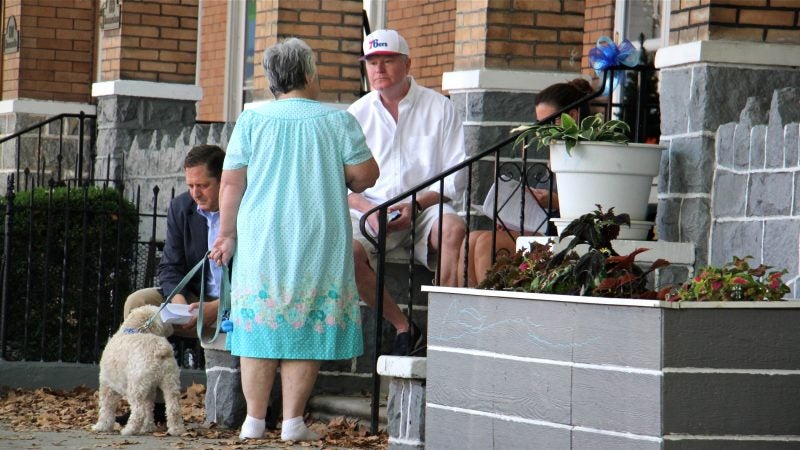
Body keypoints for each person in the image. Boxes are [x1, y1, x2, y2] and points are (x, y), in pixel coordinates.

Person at [210, 38, 379, 442]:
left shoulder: (251, 120)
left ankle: (253, 421)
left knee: (259, 324)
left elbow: (232, 182)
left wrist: (227, 234)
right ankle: (292, 422)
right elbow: (366, 175)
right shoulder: (338, 121)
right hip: (316, 234)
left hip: (261, 236)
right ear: (307, 73)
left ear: (273, 80)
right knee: (308, 319)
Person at [347, 29, 467, 356]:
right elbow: (336, 183)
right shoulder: (355, 114)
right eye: (372, 62)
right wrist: (368, 210)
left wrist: (416, 204)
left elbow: (456, 178)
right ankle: (404, 327)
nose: (379, 69)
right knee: (346, 250)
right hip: (370, 211)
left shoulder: (440, 108)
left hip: (426, 208)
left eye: (388, 61)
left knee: (454, 229)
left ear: (407, 63)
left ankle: (445, 336)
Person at [122, 144, 250, 429]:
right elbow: (170, 266)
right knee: (137, 305)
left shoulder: (246, 209)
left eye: (203, 185)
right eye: (190, 185)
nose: (196, 193)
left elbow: (257, 277)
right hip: (192, 296)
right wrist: (177, 301)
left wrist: (216, 308)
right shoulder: (182, 207)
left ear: (224, 181)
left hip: (238, 300)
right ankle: (148, 407)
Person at [458, 78, 593, 287]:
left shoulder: (591, 153)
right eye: (540, 124)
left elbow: (592, 206)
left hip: (573, 239)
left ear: (573, 116)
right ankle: (468, 311)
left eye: (549, 122)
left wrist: (554, 201)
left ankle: (486, 312)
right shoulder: (558, 150)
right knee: (471, 239)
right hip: (548, 229)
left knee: (486, 242)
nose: (543, 131)